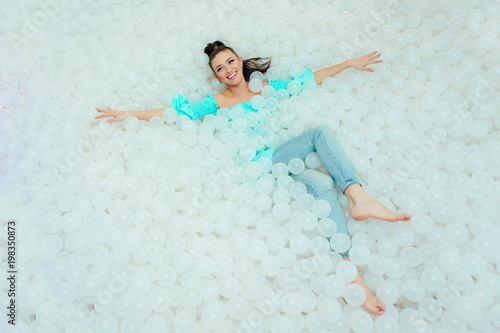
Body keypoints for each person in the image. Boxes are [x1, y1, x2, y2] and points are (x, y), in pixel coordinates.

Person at [95, 41, 411, 315]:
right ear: (215, 76)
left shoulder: (266, 88)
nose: (228, 70)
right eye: (219, 69)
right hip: (257, 166)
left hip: (282, 165)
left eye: (230, 61)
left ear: (240, 61)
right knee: (320, 134)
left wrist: (349, 64)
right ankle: (358, 196)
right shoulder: (218, 101)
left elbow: (308, 80)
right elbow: (176, 114)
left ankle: (353, 279)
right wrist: (127, 114)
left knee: (325, 185)